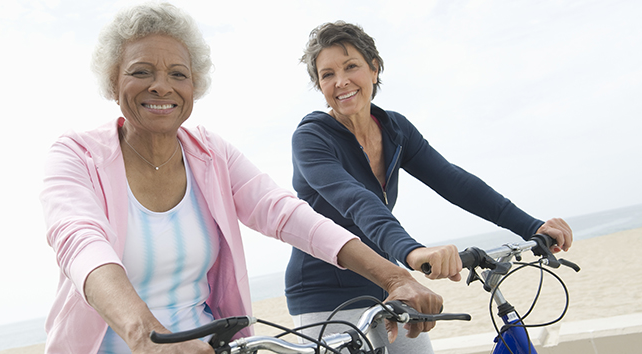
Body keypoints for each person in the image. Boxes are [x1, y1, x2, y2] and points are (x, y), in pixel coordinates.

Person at [40, 4, 445, 354]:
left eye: (178, 74)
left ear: (194, 86)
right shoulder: (77, 155)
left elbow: (287, 215)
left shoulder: (211, 154)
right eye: (141, 71)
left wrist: (396, 277)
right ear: (114, 81)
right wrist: (145, 335)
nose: (161, 85)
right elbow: (81, 244)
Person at [286, 21, 574, 354]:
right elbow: (357, 201)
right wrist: (412, 252)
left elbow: (453, 181)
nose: (341, 82)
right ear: (319, 85)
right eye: (327, 74)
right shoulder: (311, 139)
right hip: (327, 295)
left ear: (374, 69)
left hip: (390, 286)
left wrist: (532, 226)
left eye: (351, 66)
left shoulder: (395, 129)